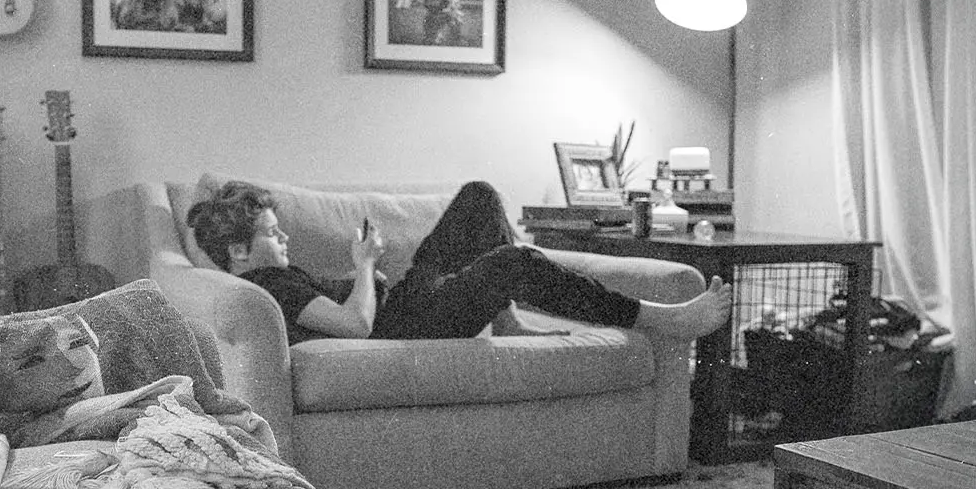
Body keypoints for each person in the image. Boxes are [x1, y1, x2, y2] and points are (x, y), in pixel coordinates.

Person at [186, 179, 733, 345]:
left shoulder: (272, 279)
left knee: (478, 197)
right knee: (514, 262)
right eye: (270, 232)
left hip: (406, 307)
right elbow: (355, 325)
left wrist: (364, 275)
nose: (282, 236)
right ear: (239, 252)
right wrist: (364, 266)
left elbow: (343, 309)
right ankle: (660, 319)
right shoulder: (268, 285)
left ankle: (507, 320)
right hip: (403, 329)